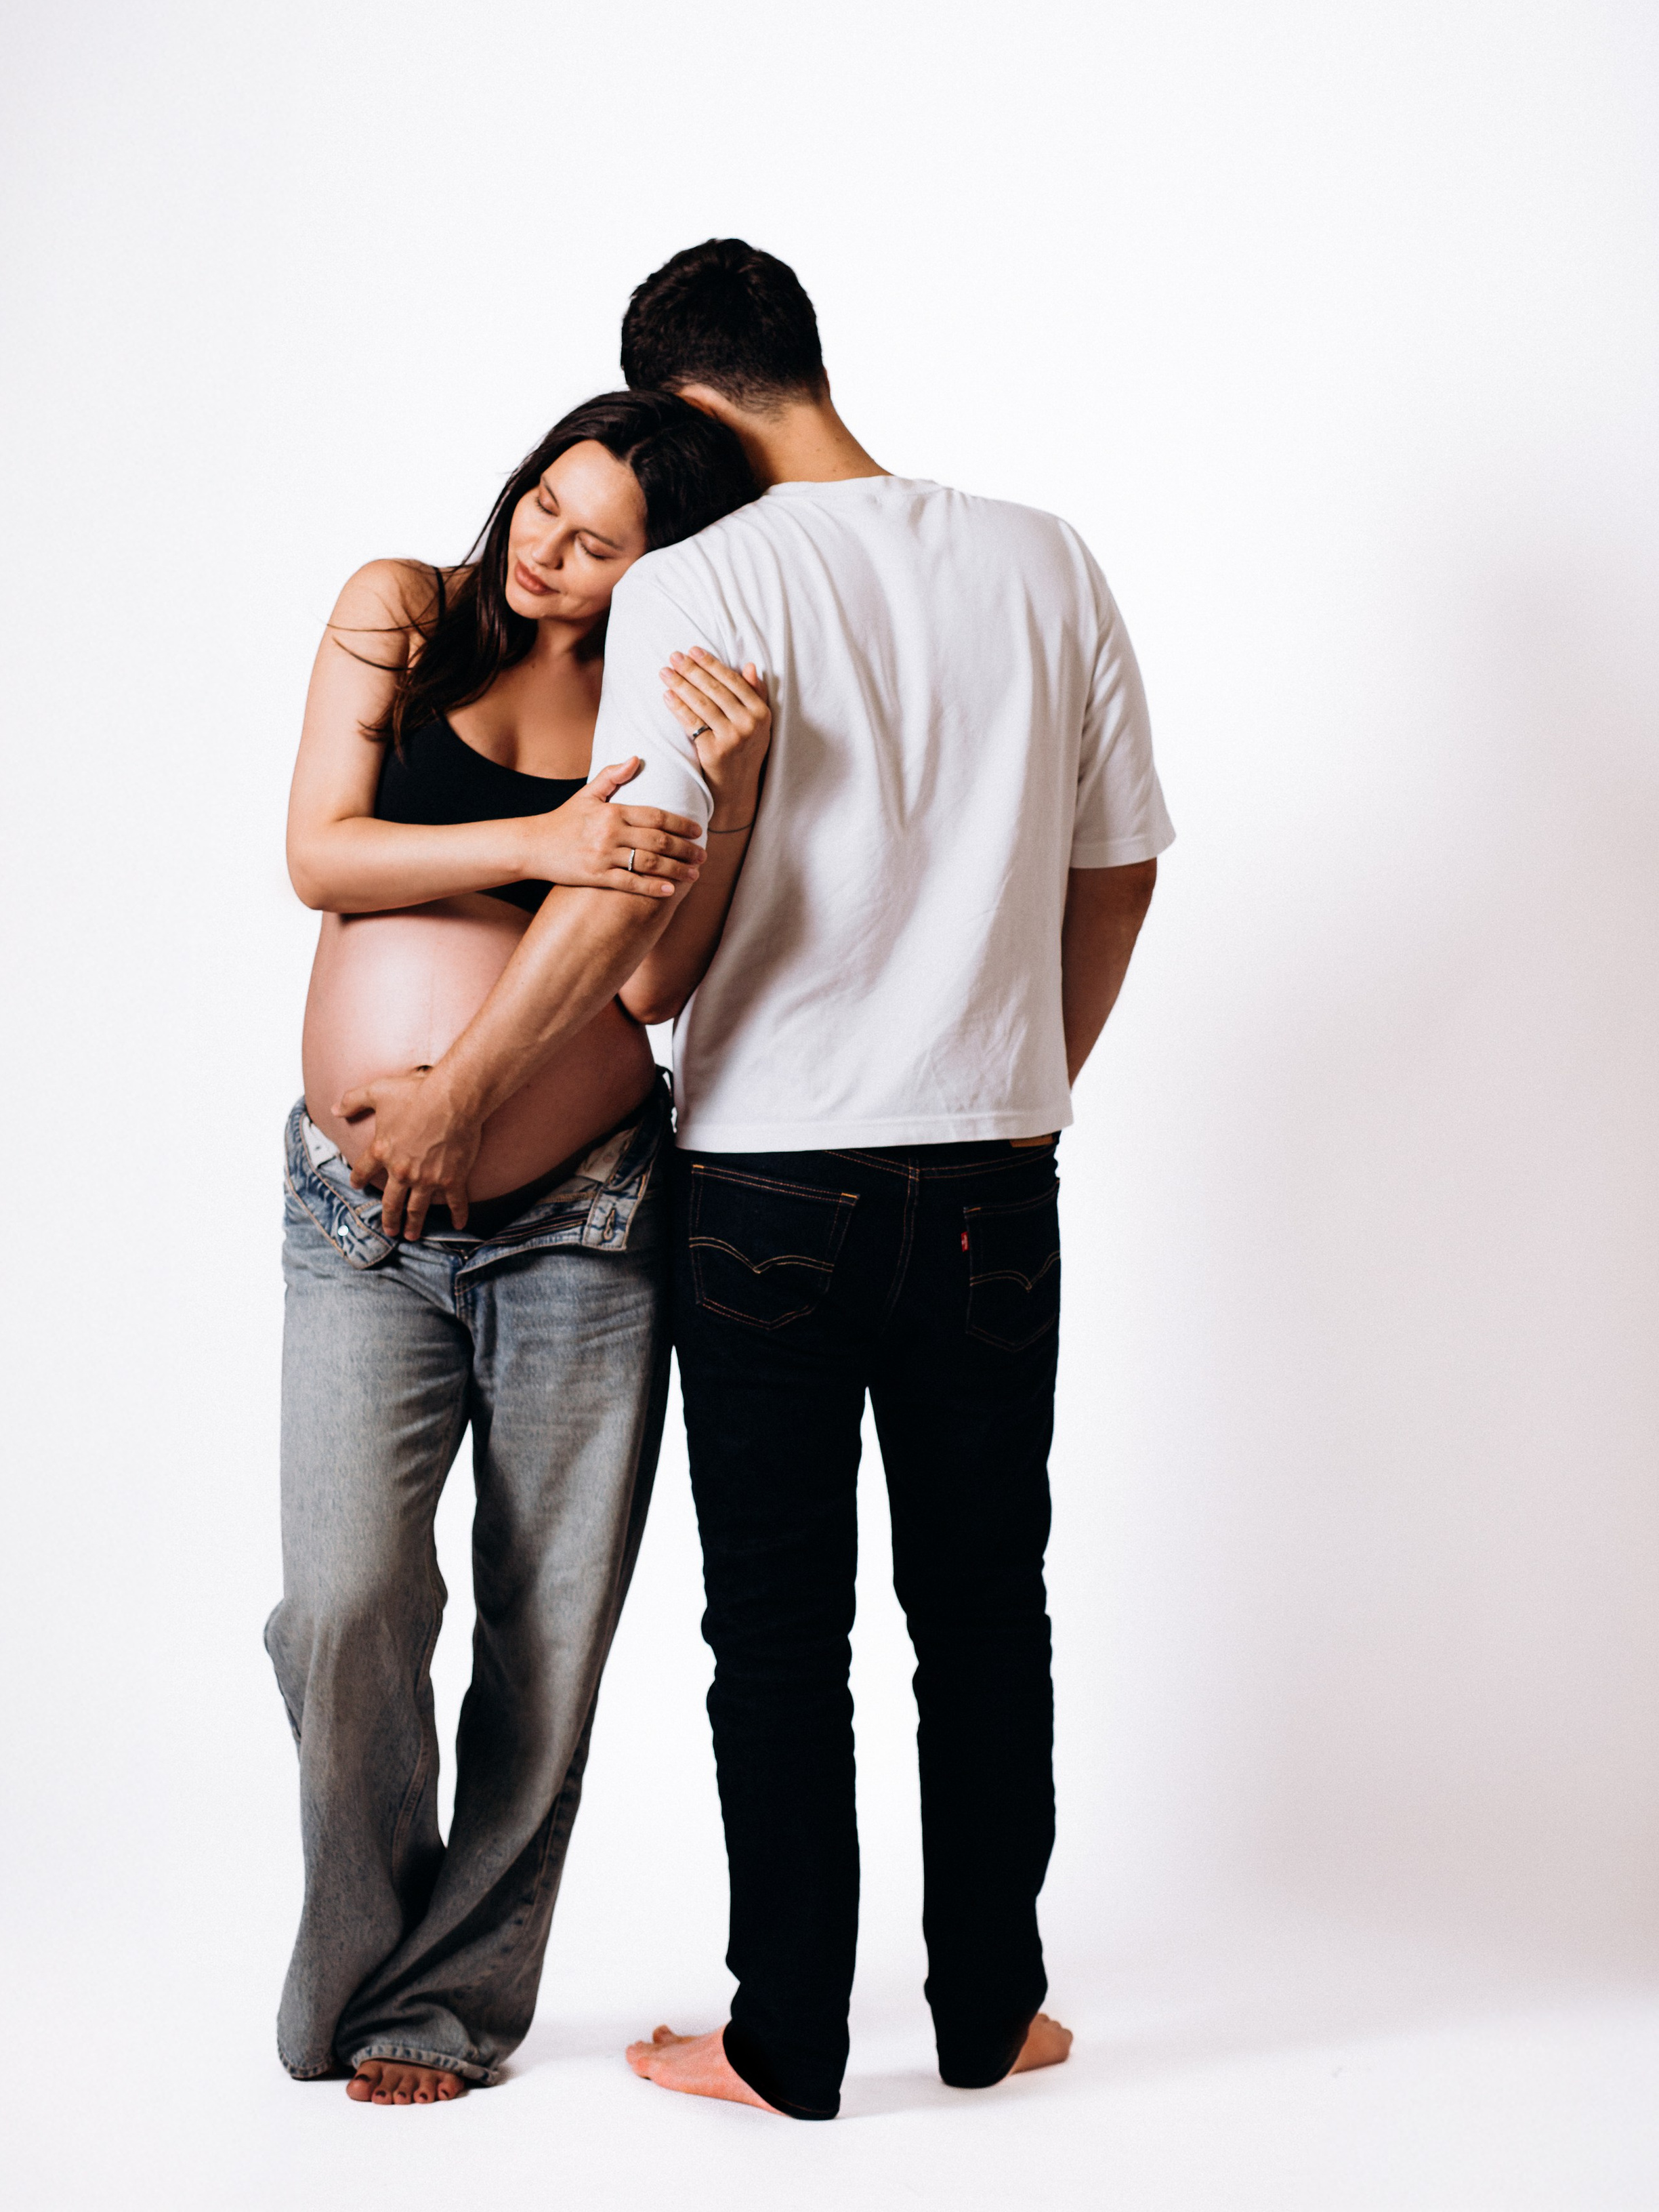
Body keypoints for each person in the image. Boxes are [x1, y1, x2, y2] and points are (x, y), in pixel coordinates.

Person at [342, 241, 1175, 2121]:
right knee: (986, 1609)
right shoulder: (1049, 558)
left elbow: (629, 908)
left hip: (772, 1184)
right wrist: (1026, 1078)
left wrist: (462, 1094)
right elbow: (1119, 869)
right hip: (991, 1177)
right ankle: (993, 2016)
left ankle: (786, 2040)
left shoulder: (700, 582)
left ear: (684, 407)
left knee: (780, 1634)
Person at [267, 388, 773, 2104]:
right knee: (345, 1605)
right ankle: (353, 1948)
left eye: (595, 542)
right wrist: (541, 841)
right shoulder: (399, 606)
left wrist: (741, 783)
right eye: (543, 505)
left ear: (662, 573)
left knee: (543, 1632)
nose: (543, 548)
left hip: (586, 1217)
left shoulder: (656, 691)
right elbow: (317, 854)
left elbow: (650, 985)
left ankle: (443, 2005)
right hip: (357, 1219)